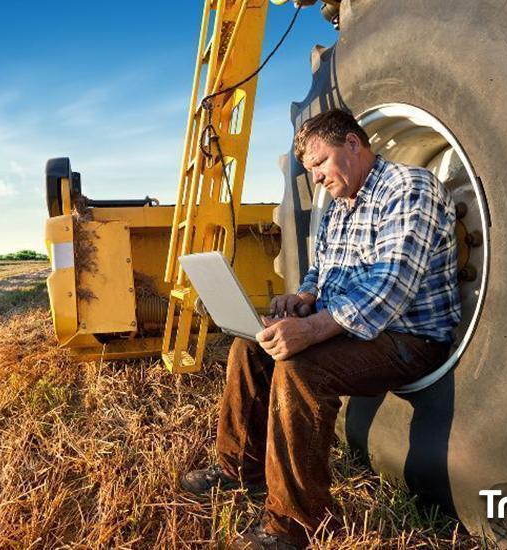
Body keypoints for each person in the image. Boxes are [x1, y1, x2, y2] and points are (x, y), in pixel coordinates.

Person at [179, 109, 462, 549]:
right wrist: (304, 298)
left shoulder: (408, 188)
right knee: (250, 349)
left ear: (353, 143)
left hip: (409, 339)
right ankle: (241, 469)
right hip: (358, 333)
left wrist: (309, 331)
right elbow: (323, 270)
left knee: (299, 368)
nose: (315, 179)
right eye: (309, 170)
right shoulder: (340, 209)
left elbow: (389, 289)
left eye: (320, 163)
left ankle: (295, 524)